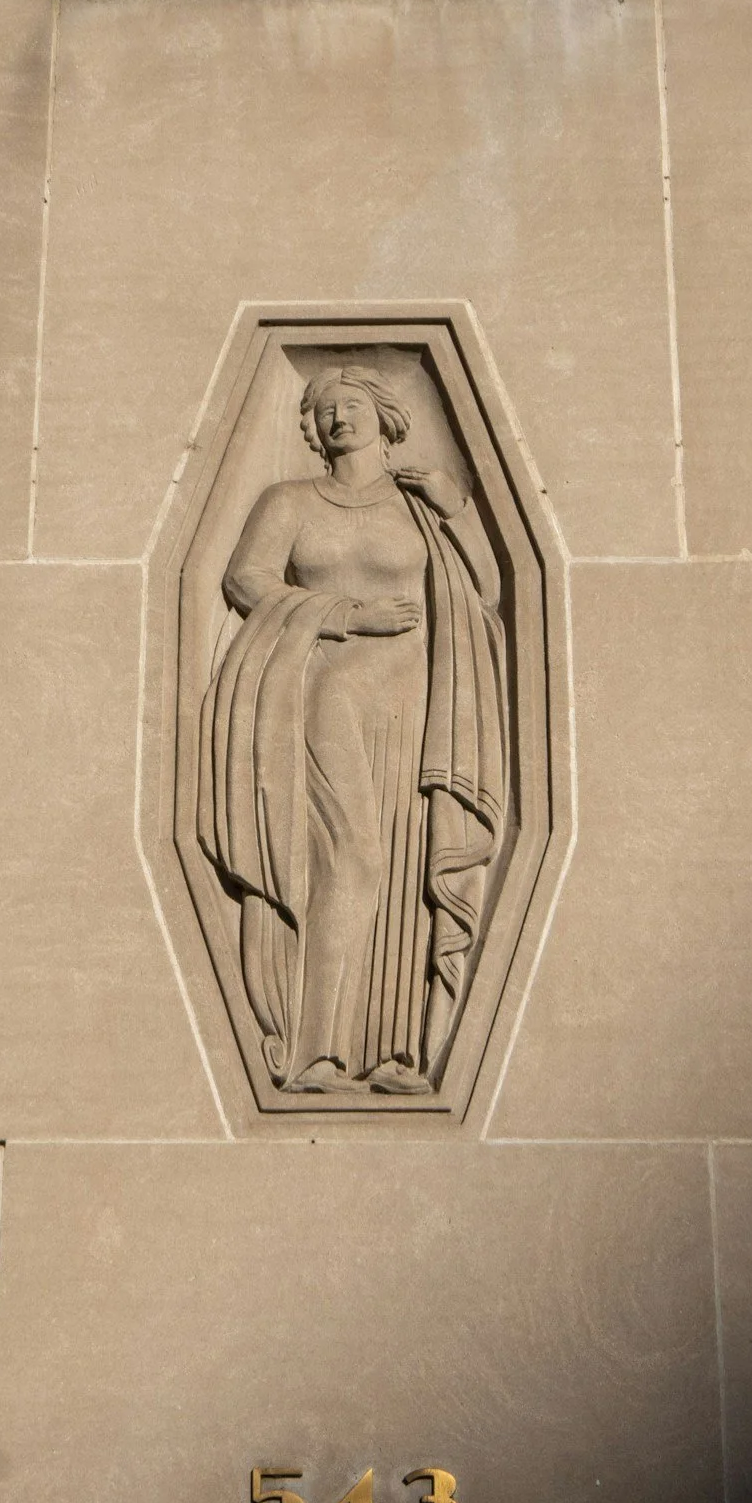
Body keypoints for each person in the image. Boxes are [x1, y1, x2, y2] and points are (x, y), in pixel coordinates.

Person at [199, 365, 509, 1095]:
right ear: (311, 427)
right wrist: (343, 614)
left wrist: (456, 506)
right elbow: (248, 580)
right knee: (354, 860)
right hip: (325, 696)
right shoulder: (291, 500)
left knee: (405, 869)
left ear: (384, 414)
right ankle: (313, 1049)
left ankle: (397, 1050)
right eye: (325, 408)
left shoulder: (418, 504)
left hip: (415, 706)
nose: (339, 417)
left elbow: (488, 591)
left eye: (352, 404)